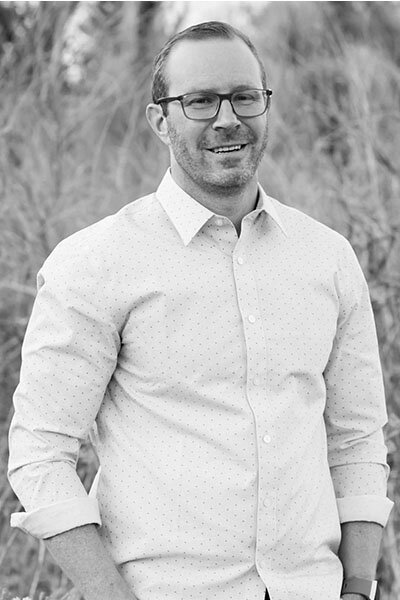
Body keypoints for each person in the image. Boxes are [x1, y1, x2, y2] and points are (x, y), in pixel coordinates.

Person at [8, 20, 393, 600]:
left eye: (244, 97)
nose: (227, 118)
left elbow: (358, 439)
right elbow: (40, 451)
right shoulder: (95, 264)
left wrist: (359, 588)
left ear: (266, 105)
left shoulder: (328, 258)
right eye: (200, 101)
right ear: (160, 120)